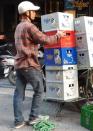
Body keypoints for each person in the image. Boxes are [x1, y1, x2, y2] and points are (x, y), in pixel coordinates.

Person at [13, 1, 65, 129]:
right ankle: (33, 118)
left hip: (19, 65)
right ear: (27, 13)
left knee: (18, 94)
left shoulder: (19, 27)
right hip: (29, 65)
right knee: (39, 90)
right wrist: (58, 35)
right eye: (33, 11)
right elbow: (46, 40)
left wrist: (37, 46)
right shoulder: (30, 27)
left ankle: (18, 121)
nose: (35, 13)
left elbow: (31, 42)